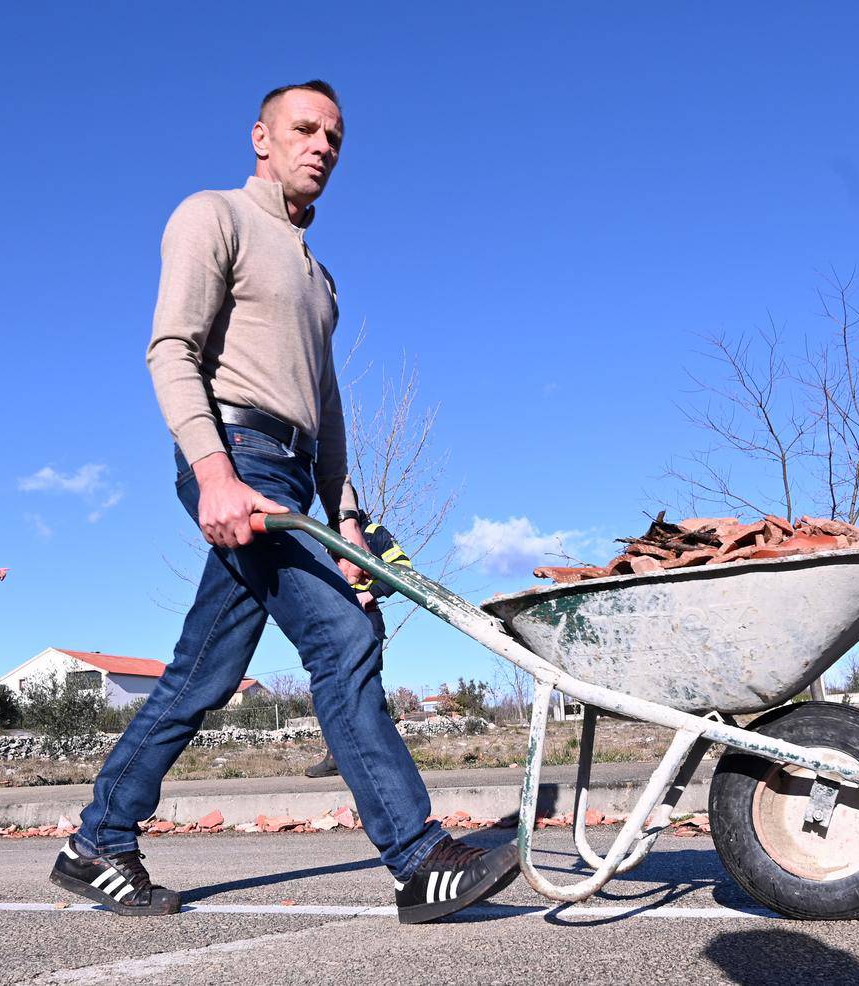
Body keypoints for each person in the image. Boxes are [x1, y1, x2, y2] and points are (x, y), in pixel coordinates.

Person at [51, 81, 517, 924]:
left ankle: (97, 843)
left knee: (204, 673)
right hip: (236, 455)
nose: (323, 146)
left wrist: (348, 526)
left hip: (294, 472)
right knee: (343, 637)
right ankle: (418, 859)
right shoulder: (214, 215)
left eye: (335, 137)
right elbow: (170, 349)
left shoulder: (319, 279)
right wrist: (215, 471)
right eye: (305, 129)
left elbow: (328, 410)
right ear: (261, 137)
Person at [305, 516, 415, 780]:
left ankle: (383, 759)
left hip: (364, 616)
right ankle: (335, 757)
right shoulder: (324, 534)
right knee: (330, 686)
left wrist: (370, 593)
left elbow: (403, 568)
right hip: (332, 617)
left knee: (367, 686)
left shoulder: (373, 532)